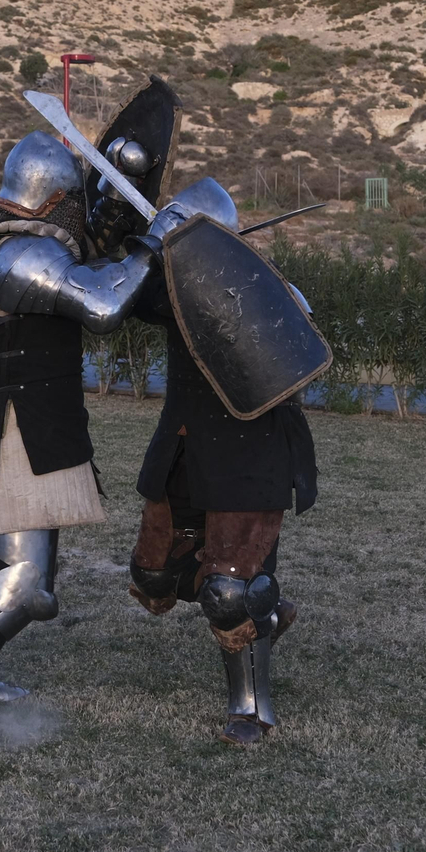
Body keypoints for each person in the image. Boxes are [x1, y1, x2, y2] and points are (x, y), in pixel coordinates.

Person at [0, 129, 163, 746]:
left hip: (19, 420)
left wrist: (116, 202)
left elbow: (90, 251)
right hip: (7, 429)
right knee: (25, 586)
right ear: (51, 199)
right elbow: (102, 303)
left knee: (4, 565)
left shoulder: (19, 239)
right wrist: (154, 245)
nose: (79, 212)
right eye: (74, 200)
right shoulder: (22, 255)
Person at [126, 178, 320, 746]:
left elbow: (289, 340)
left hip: (250, 451)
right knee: (153, 573)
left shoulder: (268, 290)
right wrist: (139, 241)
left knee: (231, 588)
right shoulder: (165, 285)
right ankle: (271, 611)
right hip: (186, 443)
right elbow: (123, 303)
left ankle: (252, 705)